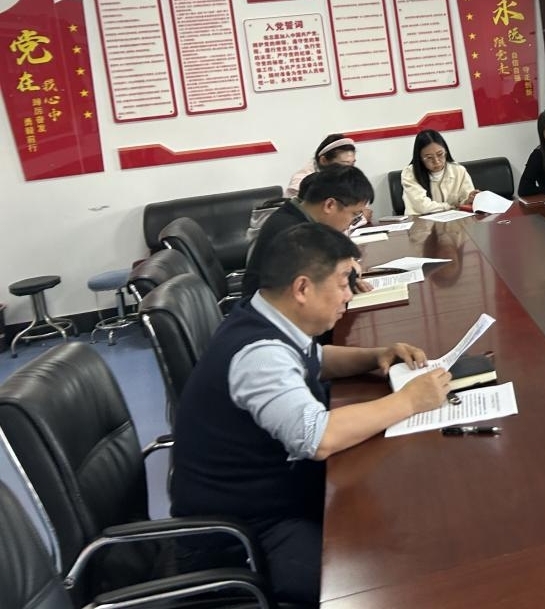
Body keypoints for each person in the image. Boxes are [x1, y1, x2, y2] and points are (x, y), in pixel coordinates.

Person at [170, 223, 453, 605]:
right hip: (243, 538)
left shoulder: (266, 317)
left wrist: (375, 355)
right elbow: (317, 437)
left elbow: (315, 360)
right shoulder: (260, 356)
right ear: (302, 288)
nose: (349, 294)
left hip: (272, 500)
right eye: (342, 282)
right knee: (386, 580)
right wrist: (410, 401)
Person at [244, 165, 373, 297]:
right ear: (329, 205)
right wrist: (350, 273)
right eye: (354, 214)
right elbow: (330, 280)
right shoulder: (296, 232)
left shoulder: (293, 213)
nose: (352, 221)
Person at [401, 129, 478, 215]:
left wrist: (469, 200)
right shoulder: (410, 173)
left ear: (446, 152)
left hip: (455, 221)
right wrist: (450, 206)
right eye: (429, 157)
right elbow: (422, 207)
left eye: (440, 154)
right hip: (421, 222)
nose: (436, 161)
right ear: (420, 158)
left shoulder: (458, 170)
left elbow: (465, 202)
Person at [286, 134, 357, 198]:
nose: (350, 169)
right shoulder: (300, 184)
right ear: (323, 160)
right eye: (345, 164)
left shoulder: (348, 177)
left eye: (352, 163)